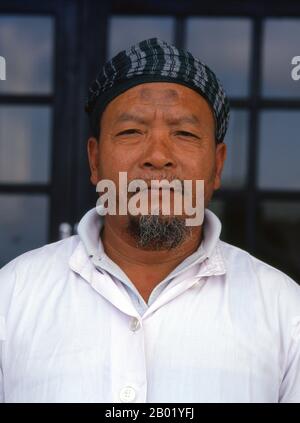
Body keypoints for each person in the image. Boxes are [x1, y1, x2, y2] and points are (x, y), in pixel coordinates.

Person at [0, 37, 299, 403]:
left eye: (185, 134)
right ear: (95, 161)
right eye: (131, 132)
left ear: (217, 166)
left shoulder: (285, 310)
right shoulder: (12, 296)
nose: (158, 156)